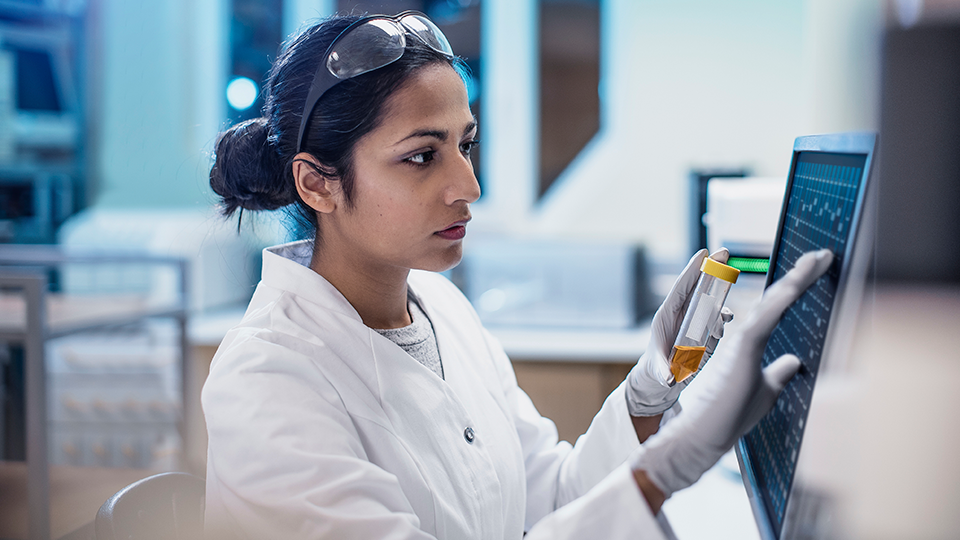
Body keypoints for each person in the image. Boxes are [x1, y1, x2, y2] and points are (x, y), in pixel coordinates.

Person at [202, 11, 833, 539]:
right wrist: (662, 473)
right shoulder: (268, 379)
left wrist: (651, 393)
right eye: (422, 156)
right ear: (318, 183)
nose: (467, 186)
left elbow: (551, 500)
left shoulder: (443, 310)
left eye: (465, 145)